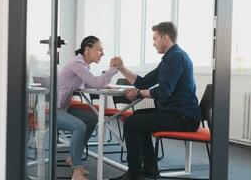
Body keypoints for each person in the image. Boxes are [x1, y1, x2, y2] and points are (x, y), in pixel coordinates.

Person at [110, 21, 201, 180]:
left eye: (155, 39)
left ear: (165, 38)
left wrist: (138, 93)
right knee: (138, 116)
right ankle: (150, 168)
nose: (153, 44)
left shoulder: (176, 57)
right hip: (176, 113)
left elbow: (163, 92)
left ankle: (134, 174)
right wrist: (122, 68)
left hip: (184, 117)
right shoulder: (170, 58)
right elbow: (144, 82)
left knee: (132, 122)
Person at [57, 35, 118, 180]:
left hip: (62, 108)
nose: (102, 53)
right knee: (79, 126)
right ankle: (77, 172)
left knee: (92, 117)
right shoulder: (77, 64)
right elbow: (95, 83)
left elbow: (88, 83)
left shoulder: (82, 65)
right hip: (51, 111)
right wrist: (113, 70)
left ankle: (73, 157)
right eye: (99, 50)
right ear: (87, 50)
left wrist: (103, 84)